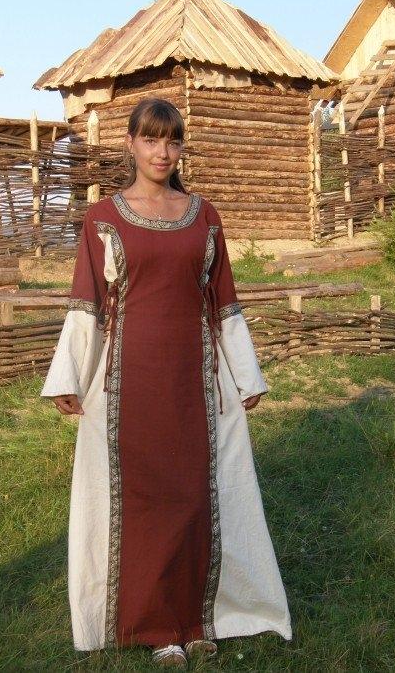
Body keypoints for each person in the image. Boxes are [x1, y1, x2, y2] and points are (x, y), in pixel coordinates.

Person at [40, 97, 292, 668]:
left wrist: (244, 372)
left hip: (194, 379)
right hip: (128, 383)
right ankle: (156, 626)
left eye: (172, 140)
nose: (162, 152)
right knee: (145, 501)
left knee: (195, 497)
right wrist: (70, 376)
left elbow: (223, 300)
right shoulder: (102, 219)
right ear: (130, 142)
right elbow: (88, 303)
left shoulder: (204, 216)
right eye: (151, 139)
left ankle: (198, 617)